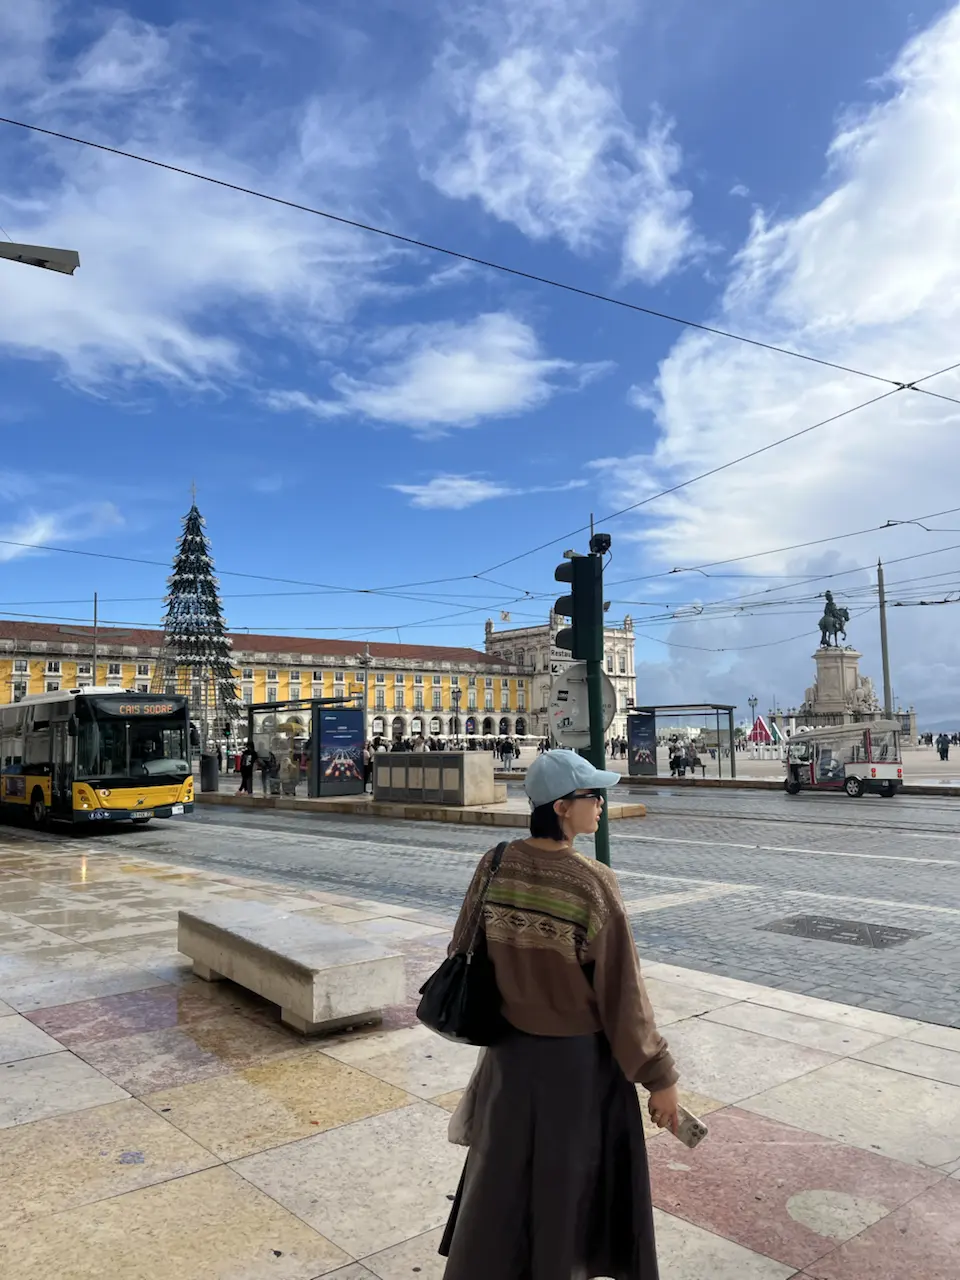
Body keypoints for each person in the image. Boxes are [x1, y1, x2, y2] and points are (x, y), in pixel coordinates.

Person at [438, 749, 678, 1279]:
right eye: (593, 796)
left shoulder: (495, 863)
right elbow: (623, 998)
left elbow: (463, 947)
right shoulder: (590, 882)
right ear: (563, 807)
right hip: (578, 1068)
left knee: (502, 1182)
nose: (600, 804)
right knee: (567, 1188)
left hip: (509, 1058)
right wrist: (660, 1078)